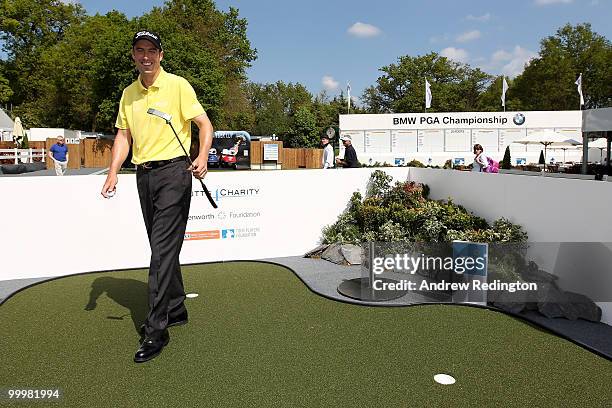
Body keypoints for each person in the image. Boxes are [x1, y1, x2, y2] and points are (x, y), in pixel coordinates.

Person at [100, 30, 214, 363]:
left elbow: (204, 124)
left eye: (152, 50)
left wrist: (203, 155)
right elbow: (123, 135)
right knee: (161, 248)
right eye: (140, 50)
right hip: (143, 175)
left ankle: (155, 330)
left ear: (161, 55)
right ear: (134, 55)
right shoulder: (128, 94)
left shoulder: (178, 86)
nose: (146, 56)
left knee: (162, 252)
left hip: (174, 174)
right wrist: (112, 172)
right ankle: (176, 308)